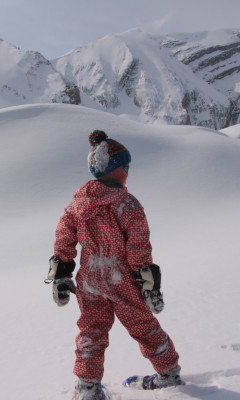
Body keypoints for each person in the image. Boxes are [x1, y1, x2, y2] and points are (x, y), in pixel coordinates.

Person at [46, 130, 183, 400]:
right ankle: (169, 375)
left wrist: (62, 272)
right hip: (122, 280)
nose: (128, 172)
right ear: (116, 168)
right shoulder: (128, 205)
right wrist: (149, 284)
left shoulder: (77, 204)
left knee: (91, 331)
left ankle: (87, 388)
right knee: (144, 325)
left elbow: (64, 236)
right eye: (126, 167)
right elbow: (138, 247)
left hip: (90, 280)